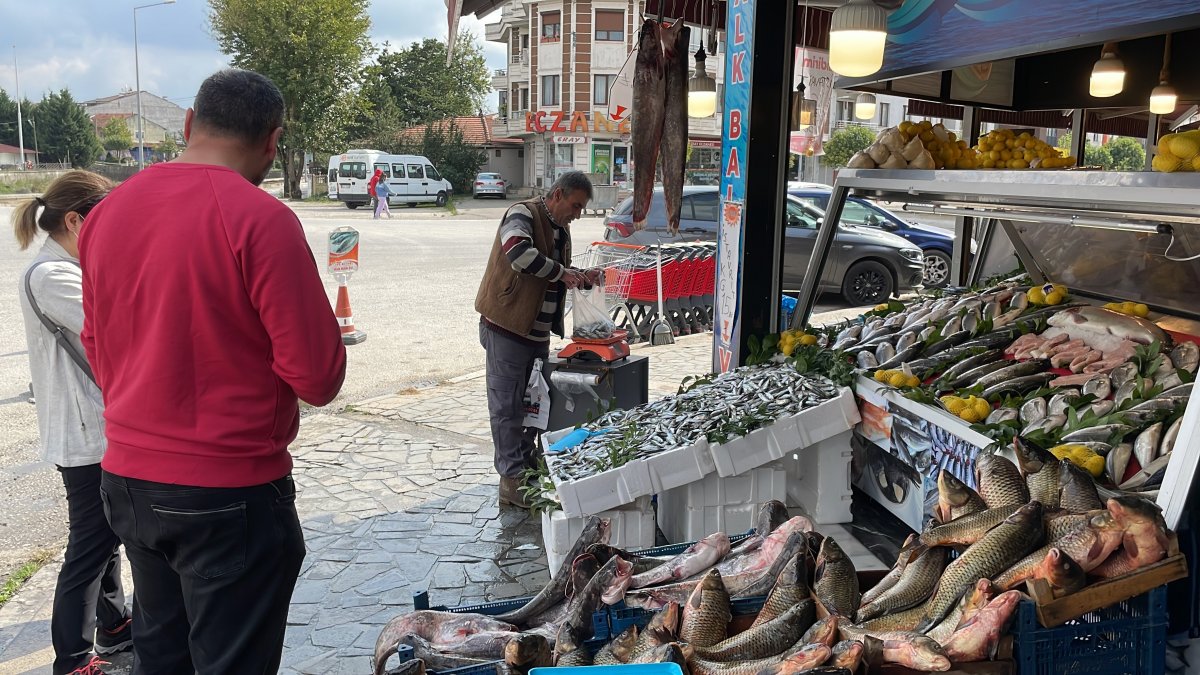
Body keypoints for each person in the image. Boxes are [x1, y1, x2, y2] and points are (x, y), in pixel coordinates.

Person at [79, 68, 347, 673]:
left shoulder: (107, 214)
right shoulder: (260, 219)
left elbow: (98, 346)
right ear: (273, 141)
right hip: (227, 493)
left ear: (191, 125)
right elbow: (318, 376)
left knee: (162, 657)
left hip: (127, 481)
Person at [14, 171, 131, 675]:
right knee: (91, 546)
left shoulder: (68, 267)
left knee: (103, 540)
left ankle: (115, 626)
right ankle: (74, 659)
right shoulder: (51, 276)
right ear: (76, 220)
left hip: (91, 428)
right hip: (87, 435)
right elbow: (120, 323)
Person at [475, 171, 600, 508]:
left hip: (536, 333)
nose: (577, 214)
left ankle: (526, 466)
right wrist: (564, 273)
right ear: (557, 195)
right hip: (507, 328)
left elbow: (555, 272)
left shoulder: (561, 228)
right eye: (575, 206)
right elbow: (519, 253)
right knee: (506, 406)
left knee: (532, 406)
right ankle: (511, 480)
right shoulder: (523, 213)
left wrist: (580, 277)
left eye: (582, 209)